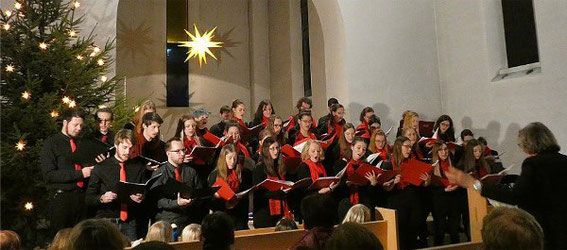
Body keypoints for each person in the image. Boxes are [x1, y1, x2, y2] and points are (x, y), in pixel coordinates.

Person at [446, 122, 567, 249]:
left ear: (529, 143)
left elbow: (515, 196)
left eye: (521, 145)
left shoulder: (533, 163)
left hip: (543, 228)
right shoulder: (564, 160)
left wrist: (474, 184)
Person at [40, 110, 97, 236]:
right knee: (62, 238)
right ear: (65, 123)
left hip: (83, 198)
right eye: (75, 125)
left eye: (81, 126)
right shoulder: (51, 144)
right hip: (62, 199)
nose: (78, 129)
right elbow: (49, 175)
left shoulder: (83, 143)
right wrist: (80, 174)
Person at [86, 129, 148, 241]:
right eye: (124, 147)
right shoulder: (101, 167)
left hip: (130, 222)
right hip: (107, 221)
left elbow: (144, 191)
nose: (127, 152)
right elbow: (89, 198)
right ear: (116, 145)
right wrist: (102, 198)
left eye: (131, 148)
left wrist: (141, 197)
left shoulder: (138, 168)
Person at [150, 138, 207, 230]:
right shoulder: (160, 173)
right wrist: (177, 203)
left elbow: (199, 193)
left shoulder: (191, 171)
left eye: (183, 150)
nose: (182, 153)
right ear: (168, 153)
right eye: (177, 151)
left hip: (188, 220)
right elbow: (158, 200)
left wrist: (194, 199)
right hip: (167, 221)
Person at [385, 136, 429, 250]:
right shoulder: (389, 164)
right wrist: (394, 182)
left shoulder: (413, 162)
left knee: (413, 234)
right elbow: (384, 188)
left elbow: (421, 185)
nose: (410, 149)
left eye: (411, 147)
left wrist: (425, 181)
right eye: (407, 146)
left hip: (413, 202)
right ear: (399, 147)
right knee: (401, 236)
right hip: (397, 202)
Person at [333, 137, 381, 221]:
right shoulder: (341, 164)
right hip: (346, 202)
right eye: (358, 148)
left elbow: (370, 194)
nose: (361, 151)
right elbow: (337, 189)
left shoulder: (366, 165)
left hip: (364, 203)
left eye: (364, 149)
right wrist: (346, 184)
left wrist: (373, 184)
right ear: (352, 147)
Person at [208, 144, 253, 230]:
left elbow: (246, 195)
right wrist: (223, 202)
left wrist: (238, 199)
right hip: (222, 217)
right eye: (229, 158)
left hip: (239, 217)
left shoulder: (243, 174)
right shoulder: (215, 175)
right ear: (223, 159)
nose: (232, 161)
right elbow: (211, 202)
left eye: (235, 158)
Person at [253, 137, 293, 228]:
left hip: (280, 212)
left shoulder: (279, 167)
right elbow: (259, 193)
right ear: (266, 150)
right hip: (264, 214)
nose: (276, 151)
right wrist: (280, 192)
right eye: (272, 149)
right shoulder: (259, 168)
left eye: (277, 148)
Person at [429, 141, 460, 245]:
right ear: (436, 152)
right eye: (441, 150)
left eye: (446, 149)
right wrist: (444, 190)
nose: (444, 152)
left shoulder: (453, 164)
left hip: (454, 199)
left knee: (454, 230)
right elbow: (430, 189)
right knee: (440, 230)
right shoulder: (432, 167)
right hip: (439, 201)